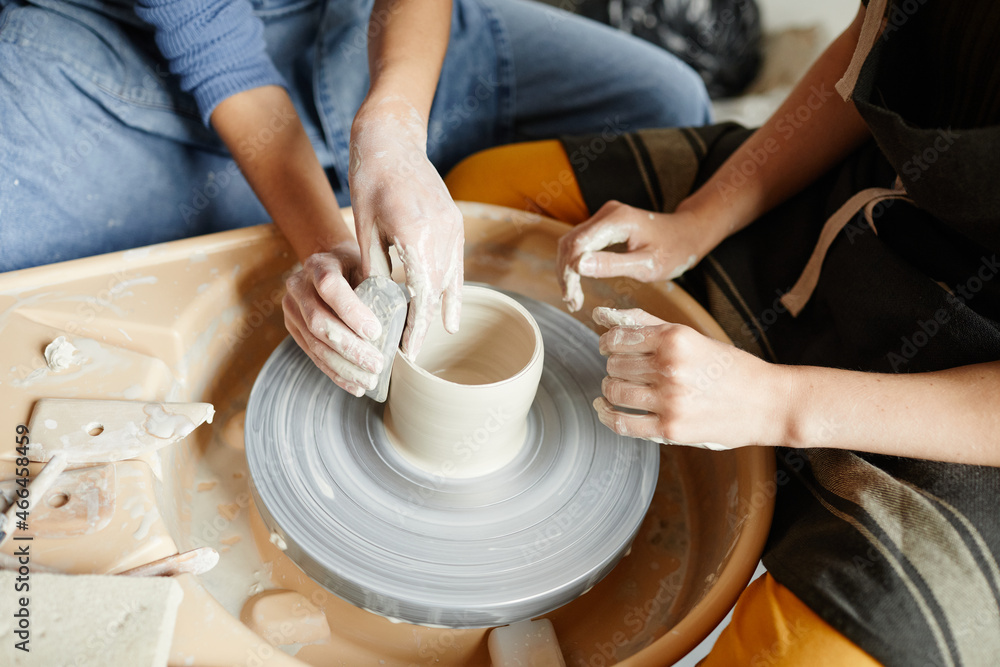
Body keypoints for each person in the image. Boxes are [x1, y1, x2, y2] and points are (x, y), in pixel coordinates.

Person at [445, 0, 1000, 664]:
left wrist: (774, 402)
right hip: (853, 210)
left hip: (963, 414)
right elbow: (869, 46)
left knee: (798, 651)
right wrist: (697, 222)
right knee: (489, 199)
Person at [0, 0, 711, 392]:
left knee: (667, 107)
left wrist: (394, 126)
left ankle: (379, 183)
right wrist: (326, 250)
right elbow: (216, 51)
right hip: (127, 62)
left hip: (348, 23)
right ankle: (314, 200)